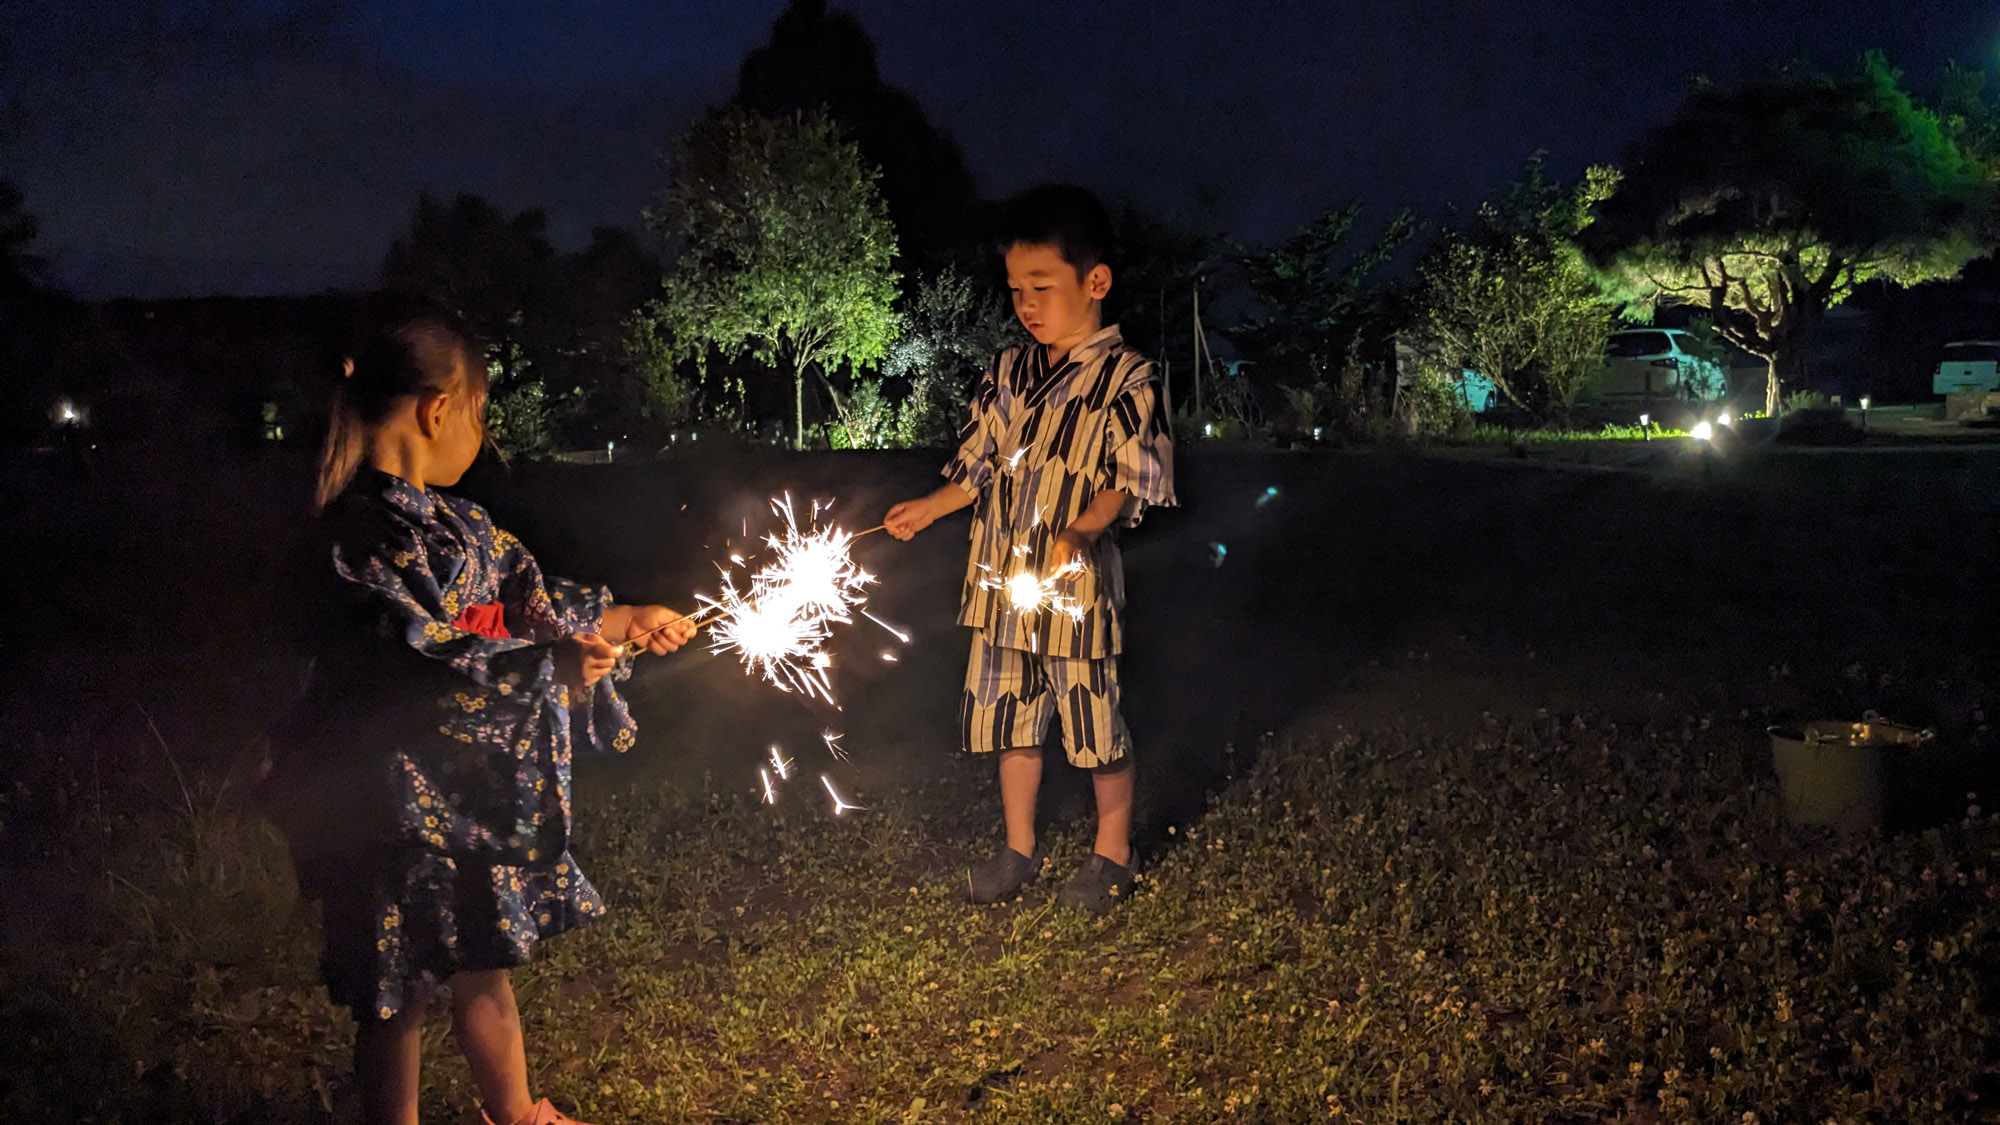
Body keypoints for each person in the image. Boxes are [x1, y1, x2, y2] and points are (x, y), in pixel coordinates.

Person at [261, 312, 697, 1125]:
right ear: (438, 410)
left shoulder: (460, 526)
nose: (481, 433)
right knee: (397, 997)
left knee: (485, 968)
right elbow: (420, 654)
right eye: (481, 413)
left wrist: (620, 620)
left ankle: (519, 1112)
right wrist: (549, 666)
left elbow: (527, 602)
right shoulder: (361, 536)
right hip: (388, 809)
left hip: (472, 803)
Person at [882, 185, 1176, 914]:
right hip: (1003, 582)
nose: (1027, 305)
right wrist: (931, 505)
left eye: (1043, 287)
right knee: (1010, 717)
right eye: (1017, 290)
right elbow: (979, 462)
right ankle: (1019, 847)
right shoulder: (1010, 371)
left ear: (1095, 282)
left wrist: (1078, 532)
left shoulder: (1128, 379)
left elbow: (1131, 479)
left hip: (1073, 591)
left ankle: (1114, 852)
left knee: (1092, 721)